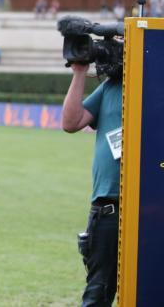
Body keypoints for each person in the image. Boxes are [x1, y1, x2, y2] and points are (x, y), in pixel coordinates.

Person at [62, 54, 122, 307]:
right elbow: (71, 122)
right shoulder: (110, 86)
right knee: (98, 294)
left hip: (150, 208)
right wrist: (79, 72)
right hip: (108, 210)